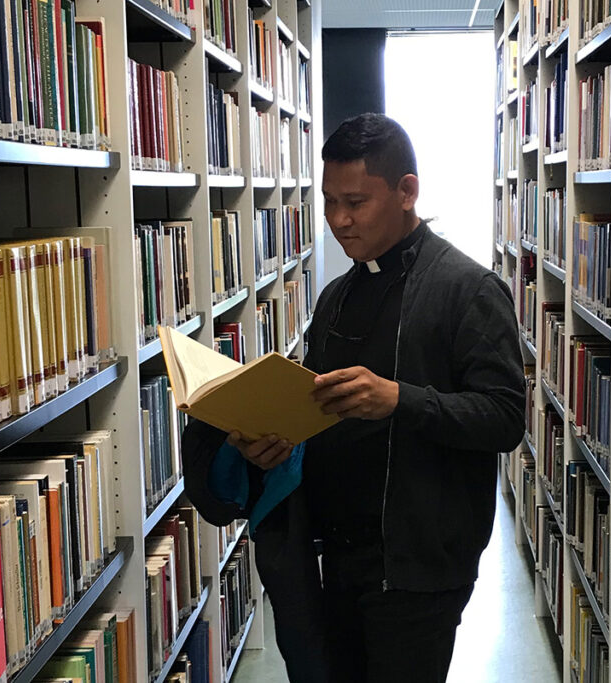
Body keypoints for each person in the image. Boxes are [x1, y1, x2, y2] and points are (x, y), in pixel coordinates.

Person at [182, 113, 525, 683]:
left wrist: (400, 399)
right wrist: (269, 443)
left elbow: (505, 416)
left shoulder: (470, 290)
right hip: (333, 560)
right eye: (329, 201)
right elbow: (316, 412)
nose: (339, 221)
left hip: (418, 570)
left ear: (407, 191)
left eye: (357, 202)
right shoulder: (336, 297)